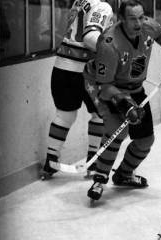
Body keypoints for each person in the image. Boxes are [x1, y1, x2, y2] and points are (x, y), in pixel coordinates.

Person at [84, 0, 161, 201]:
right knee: (118, 129)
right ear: (121, 19)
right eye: (133, 18)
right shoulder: (109, 43)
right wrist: (124, 102)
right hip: (107, 88)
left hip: (135, 88)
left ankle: (123, 175)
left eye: (141, 17)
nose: (139, 23)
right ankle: (99, 178)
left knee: (145, 140)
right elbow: (104, 86)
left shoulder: (146, 25)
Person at [41, 0, 114, 180]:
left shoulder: (79, 1)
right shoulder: (103, 6)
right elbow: (90, 37)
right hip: (86, 72)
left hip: (61, 67)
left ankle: (50, 162)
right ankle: (93, 162)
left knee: (64, 116)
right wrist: (113, 53)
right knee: (100, 115)